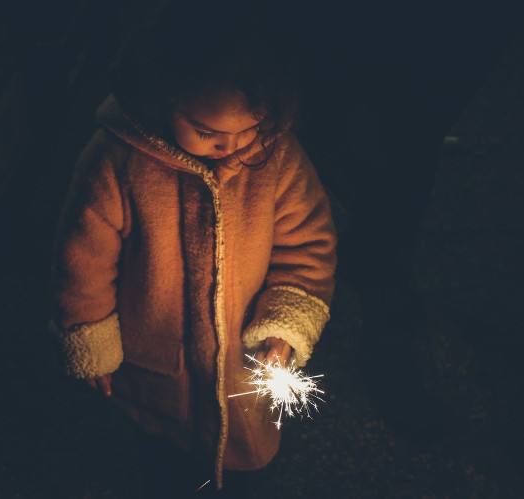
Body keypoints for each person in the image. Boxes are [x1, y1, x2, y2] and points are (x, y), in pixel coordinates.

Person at [50, 1, 337, 494]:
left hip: (241, 373)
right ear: (165, 96)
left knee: (248, 469)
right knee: (165, 465)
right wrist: (89, 333)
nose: (234, 146)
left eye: (252, 128)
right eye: (208, 133)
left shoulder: (278, 158)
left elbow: (306, 245)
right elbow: (83, 261)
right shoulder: (117, 159)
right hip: (158, 367)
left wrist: (286, 323)